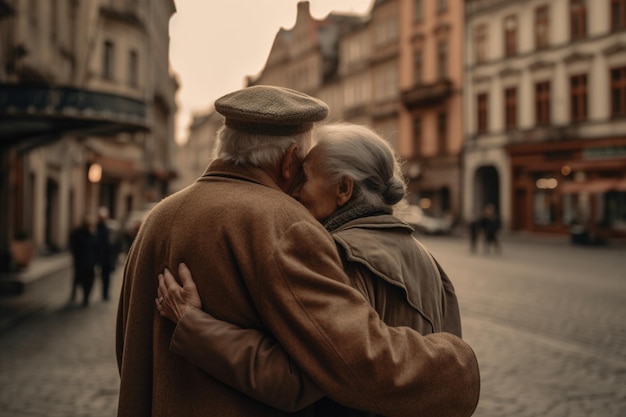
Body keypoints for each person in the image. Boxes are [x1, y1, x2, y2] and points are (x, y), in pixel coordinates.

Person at [116, 85, 479, 417]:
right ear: (290, 160)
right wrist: (457, 364)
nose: (298, 188)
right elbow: (324, 368)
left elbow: (128, 350)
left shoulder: (156, 219)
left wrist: (196, 327)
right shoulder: (286, 224)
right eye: (302, 168)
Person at [69, 214, 98, 307]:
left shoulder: (92, 234)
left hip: (88, 262)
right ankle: (81, 296)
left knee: (87, 280)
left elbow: (96, 248)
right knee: (83, 280)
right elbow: (74, 247)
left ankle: (85, 297)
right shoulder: (79, 234)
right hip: (83, 262)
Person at [95, 206, 118, 301]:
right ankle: (104, 293)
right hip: (102, 255)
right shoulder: (97, 228)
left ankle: (105, 293)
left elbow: (114, 243)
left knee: (107, 276)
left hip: (108, 256)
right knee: (103, 276)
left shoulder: (109, 228)